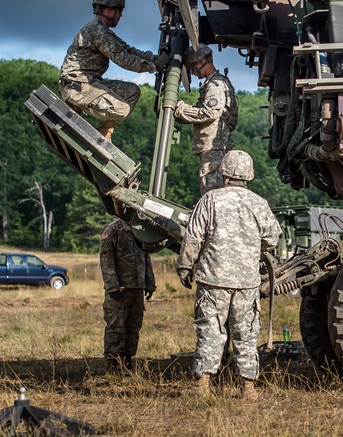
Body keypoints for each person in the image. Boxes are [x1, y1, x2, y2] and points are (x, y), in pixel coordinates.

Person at [175, 150, 280, 400]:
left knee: (210, 330)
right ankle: (248, 388)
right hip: (246, 282)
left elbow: (193, 238)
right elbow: (273, 238)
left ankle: (202, 386)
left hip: (213, 280)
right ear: (249, 175)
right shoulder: (259, 203)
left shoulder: (210, 200)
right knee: (246, 332)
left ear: (223, 173)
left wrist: (184, 267)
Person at [59, 0, 167, 141]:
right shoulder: (97, 30)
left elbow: (128, 50)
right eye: (119, 10)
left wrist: (156, 59)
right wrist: (154, 66)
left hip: (89, 82)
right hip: (77, 85)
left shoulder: (102, 30)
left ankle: (105, 132)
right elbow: (124, 59)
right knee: (122, 109)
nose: (121, 15)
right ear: (109, 10)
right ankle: (76, 106)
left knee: (132, 91)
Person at [174, 46, 238, 194]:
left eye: (192, 67)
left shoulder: (216, 84)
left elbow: (210, 112)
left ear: (202, 61)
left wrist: (181, 109)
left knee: (212, 191)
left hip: (214, 147)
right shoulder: (213, 83)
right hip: (213, 146)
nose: (192, 72)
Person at [100, 218, 156, 372]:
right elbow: (106, 260)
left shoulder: (141, 229)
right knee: (115, 327)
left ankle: (127, 361)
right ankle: (112, 364)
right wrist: (113, 286)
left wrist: (149, 283)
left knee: (133, 327)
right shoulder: (112, 230)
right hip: (120, 289)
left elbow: (146, 257)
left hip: (137, 289)